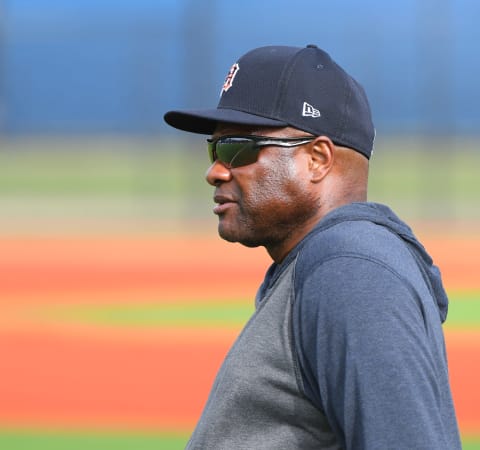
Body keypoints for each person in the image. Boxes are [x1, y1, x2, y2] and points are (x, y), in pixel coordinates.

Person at [164, 44, 461, 449]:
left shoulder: (352, 270)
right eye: (215, 149)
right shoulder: (326, 263)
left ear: (318, 159)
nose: (215, 171)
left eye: (238, 148)